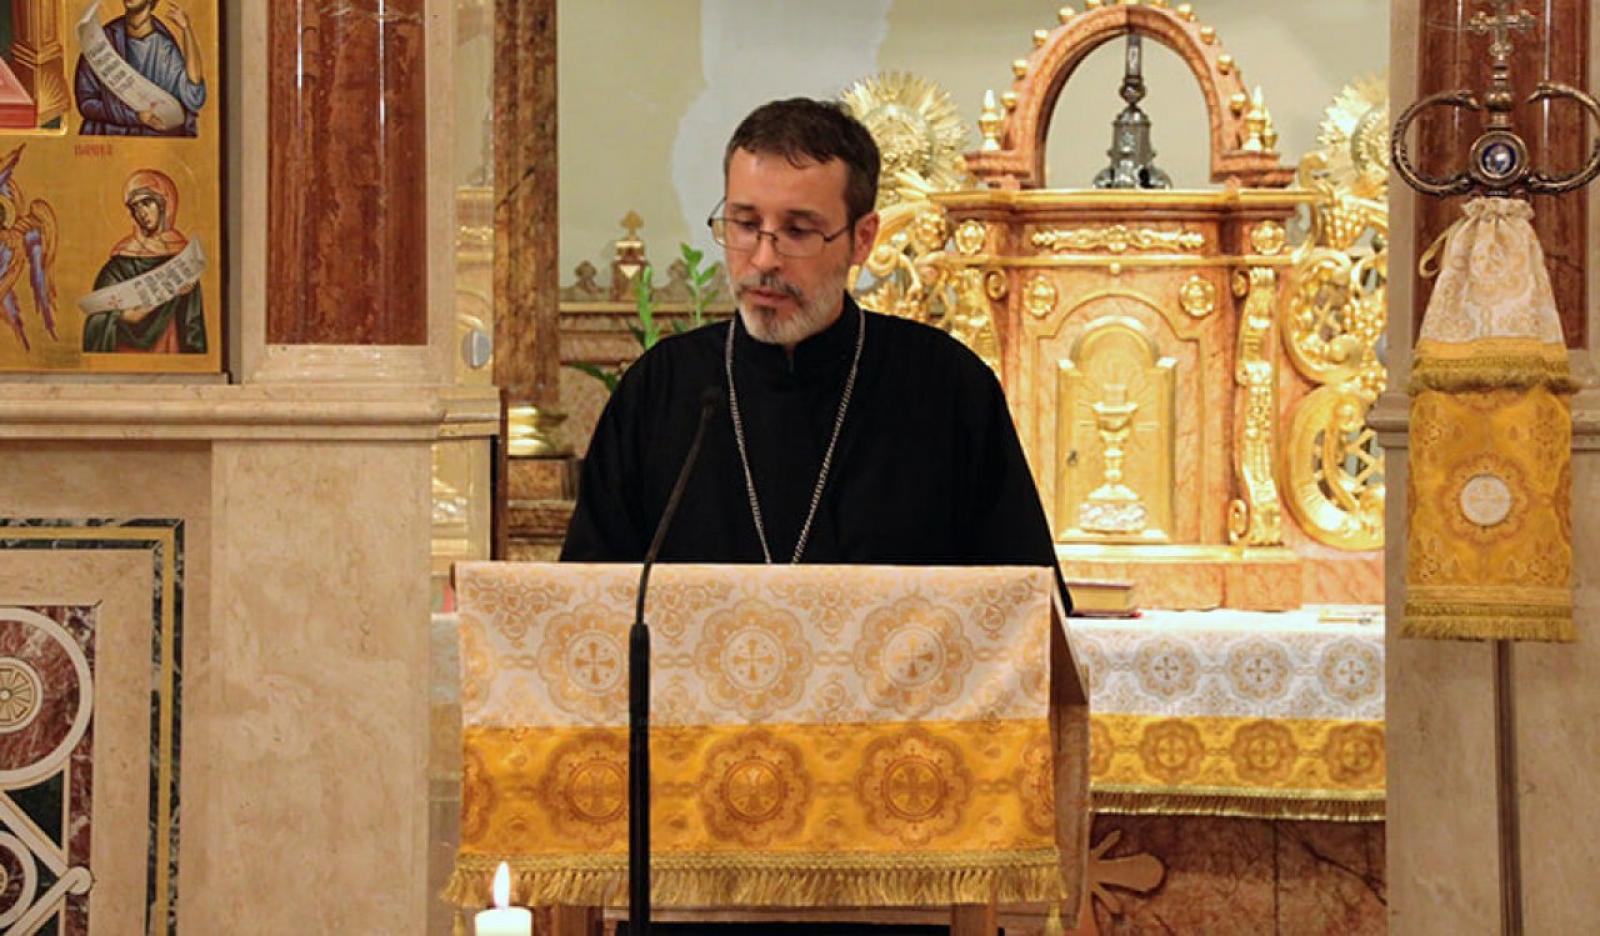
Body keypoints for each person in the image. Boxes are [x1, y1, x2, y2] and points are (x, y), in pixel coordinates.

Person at [561, 98, 1067, 609]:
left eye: (798, 231)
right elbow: (588, 605)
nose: (764, 259)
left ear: (862, 239)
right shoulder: (661, 390)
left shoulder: (948, 388)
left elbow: (1025, 608)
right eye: (744, 224)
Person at [82, 169, 205, 353]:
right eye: (135, 207)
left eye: (147, 203)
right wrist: (126, 315)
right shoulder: (119, 264)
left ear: (165, 204)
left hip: (170, 355)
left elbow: (192, 326)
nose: (141, 212)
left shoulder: (183, 261)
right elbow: (97, 319)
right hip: (123, 356)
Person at [75, 0, 207, 137]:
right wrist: (133, 117)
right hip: (111, 137)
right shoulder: (103, 42)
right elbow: (86, 102)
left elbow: (193, 96)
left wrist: (186, 29)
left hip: (154, 143)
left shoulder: (164, 49)